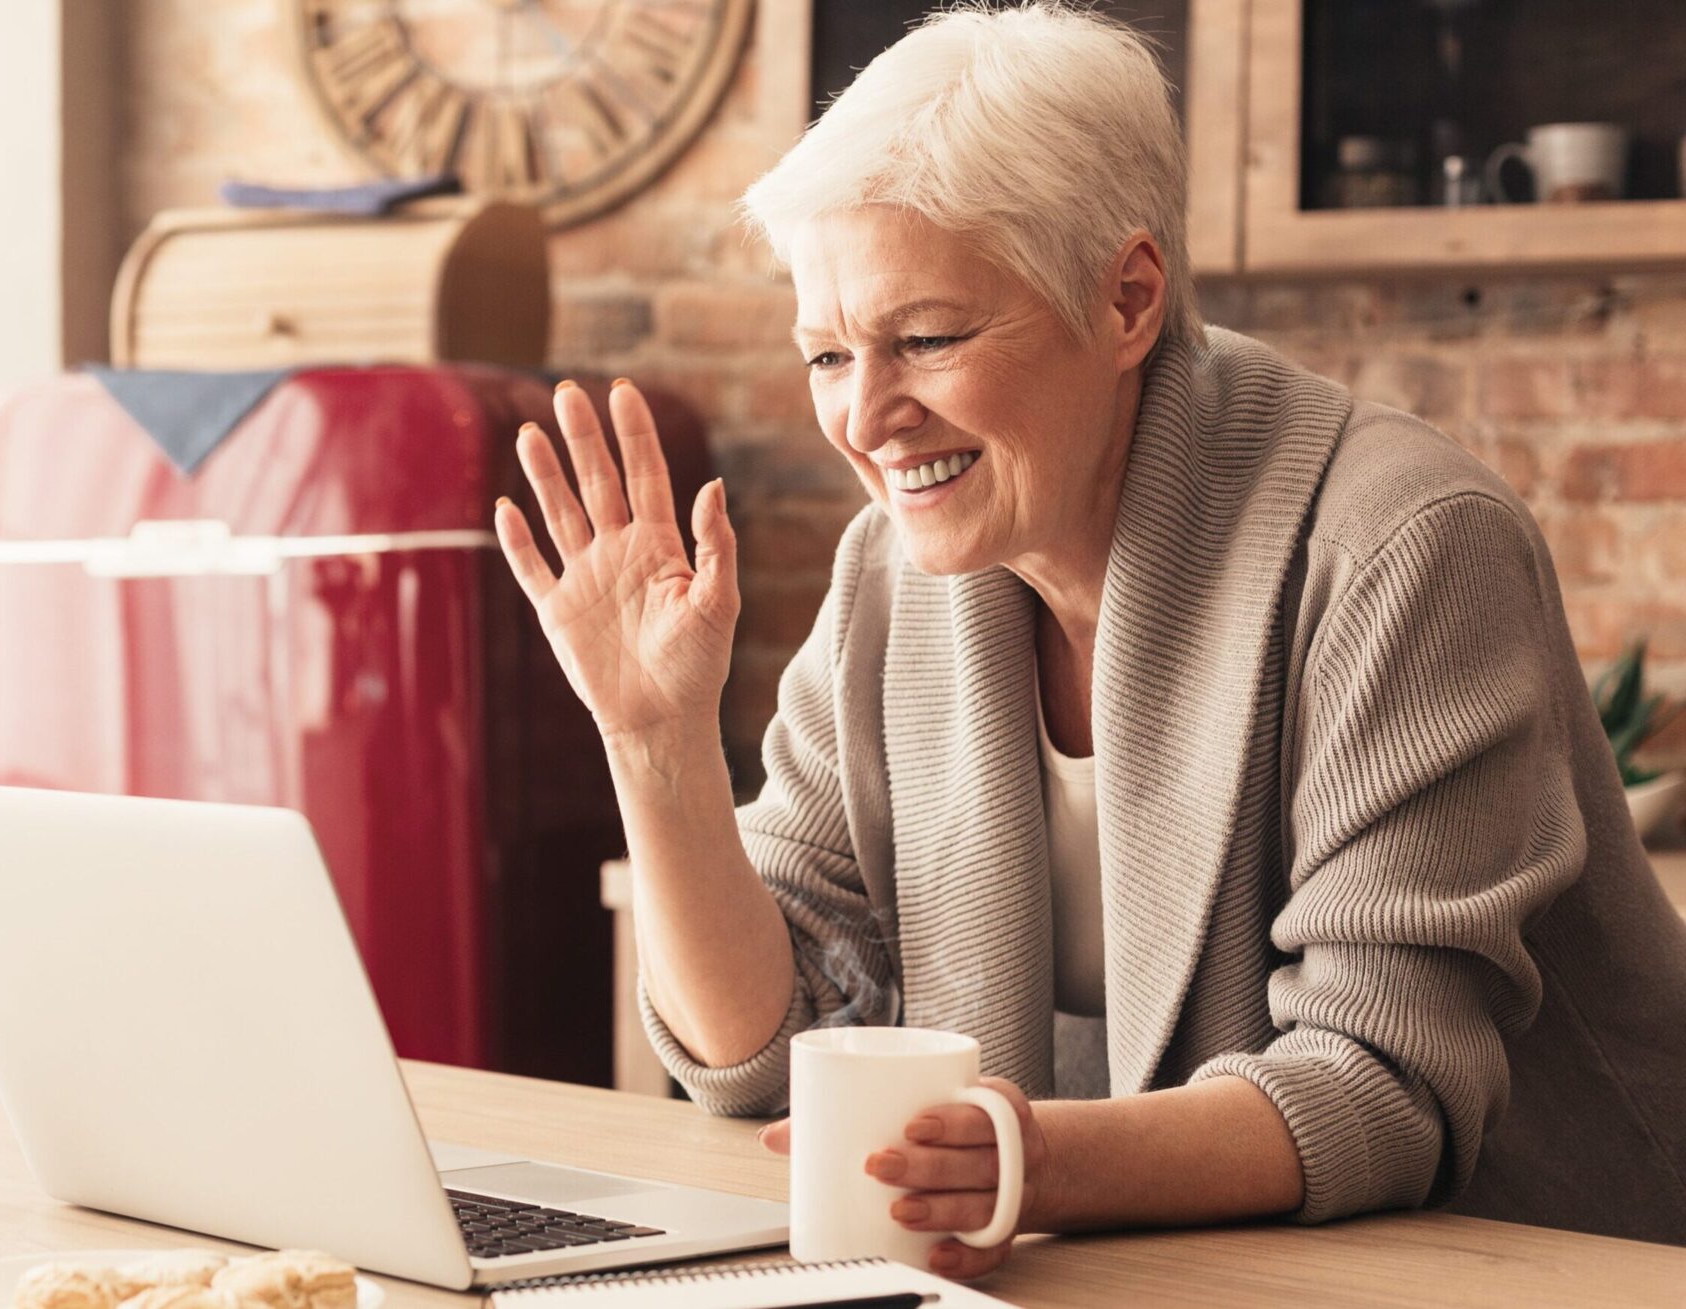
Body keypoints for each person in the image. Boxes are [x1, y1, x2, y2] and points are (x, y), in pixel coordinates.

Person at [493, 0, 1686, 1275]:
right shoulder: (890, 579)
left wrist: (1027, 1164)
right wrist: (656, 740)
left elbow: (1383, 1078)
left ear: (1126, 301)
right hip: (1168, 1268)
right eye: (829, 354)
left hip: (1546, 1265)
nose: (868, 417)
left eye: (929, 338)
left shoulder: (1403, 549)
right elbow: (775, 1047)